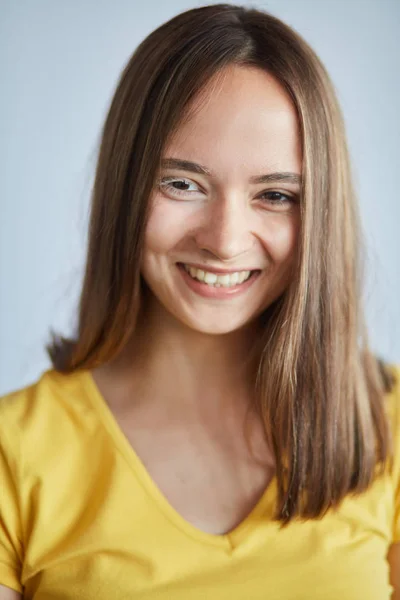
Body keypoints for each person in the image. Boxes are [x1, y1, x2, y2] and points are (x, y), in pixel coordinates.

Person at [0, 3, 399, 599]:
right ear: (126, 185)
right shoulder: (14, 451)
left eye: (275, 194)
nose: (224, 240)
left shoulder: (388, 426)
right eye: (182, 184)